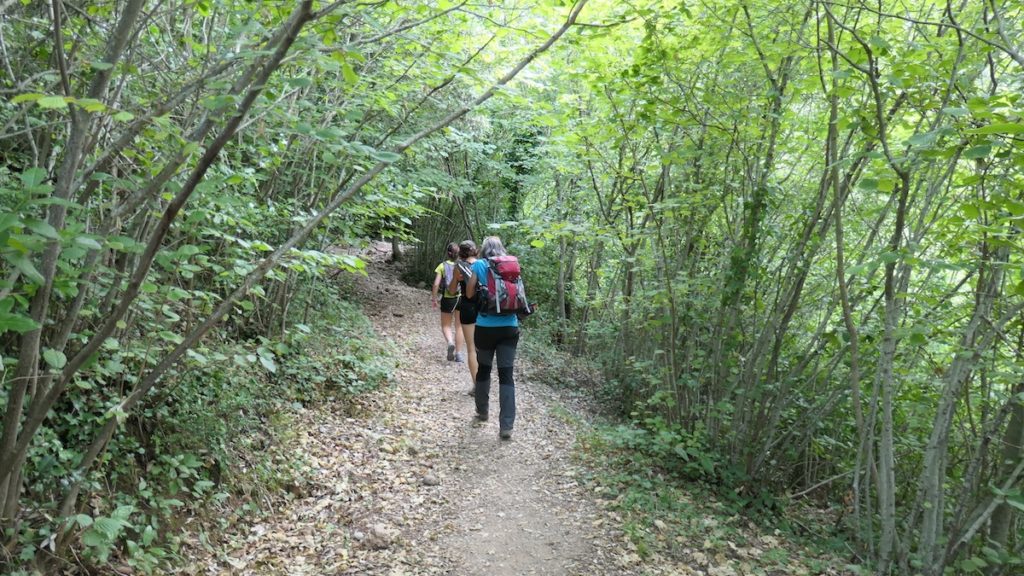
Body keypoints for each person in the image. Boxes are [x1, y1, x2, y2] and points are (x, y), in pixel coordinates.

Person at [462, 236, 520, 440]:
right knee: (506, 375)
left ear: (484, 250)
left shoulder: (479, 265)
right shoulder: (511, 266)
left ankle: (483, 411)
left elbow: (469, 294)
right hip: (510, 327)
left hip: (485, 327)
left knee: (484, 369)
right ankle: (506, 427)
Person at [449, 240, 479, 395]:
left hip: (468, 307)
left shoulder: (459, 266)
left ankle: (477, 386)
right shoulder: (484, 264)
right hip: (486, 308)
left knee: (472, 349)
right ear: (476, 251)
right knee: (483, 349)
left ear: (460, 252)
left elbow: (452, 290)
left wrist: (456, 279)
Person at [432, 243, 464, 361]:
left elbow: (436, 284)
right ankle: (459, 354)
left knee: (446, 325)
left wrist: (434, 299)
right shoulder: (462, 266)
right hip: (461, 298)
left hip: (448, 298)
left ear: (448, 253)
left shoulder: (442, 266)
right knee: (459, 326)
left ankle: (450, 342)